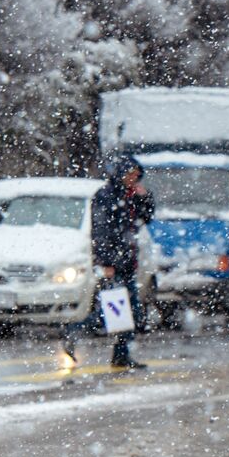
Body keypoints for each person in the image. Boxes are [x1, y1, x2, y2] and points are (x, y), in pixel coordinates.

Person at [64, 155, 154, 368]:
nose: (133, 179)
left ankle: (122, 355)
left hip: (127, 262)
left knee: (129, 313)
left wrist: (145, 197)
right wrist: (106, 262)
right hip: (112, 264)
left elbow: (147, 217)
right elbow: (101, 232)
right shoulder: (106, 196)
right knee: (112, 311)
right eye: (130, 175)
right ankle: (74, 331)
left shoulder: (131, 196)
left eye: (136, 176)